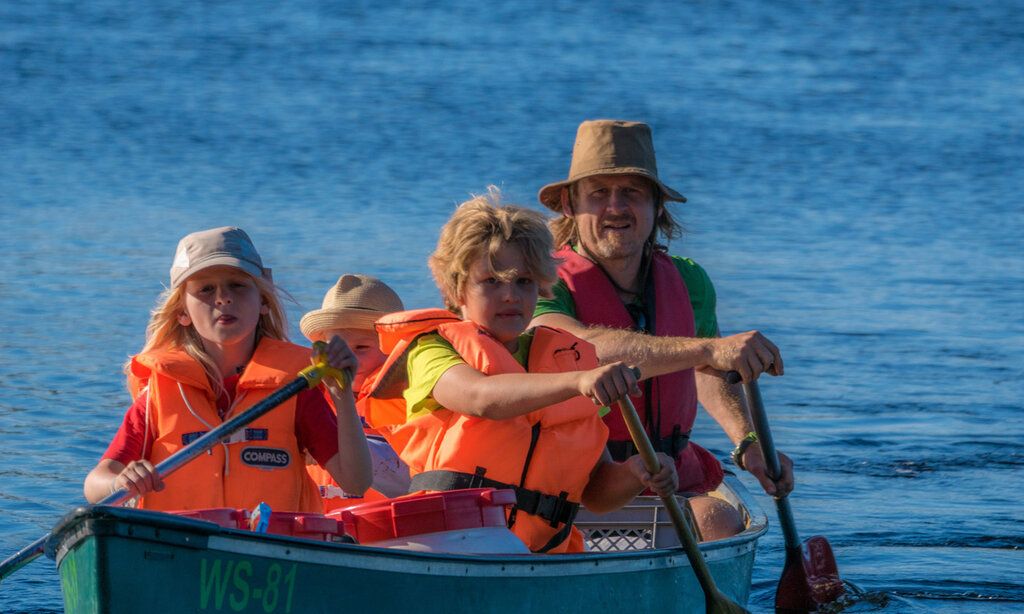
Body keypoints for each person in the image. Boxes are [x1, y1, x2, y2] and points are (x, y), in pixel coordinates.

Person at [371, 190, 678, 554]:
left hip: (542, 558)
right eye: (491, 282)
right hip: (449, 546)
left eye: (524, 282)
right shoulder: (433, 349)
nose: (510, 296)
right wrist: (578, 382)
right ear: (456, 289)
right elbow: (480, 398)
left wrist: (636, 473)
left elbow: (595, 492)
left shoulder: (569, 360)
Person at [532, 120, 795, 540]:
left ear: (657, 206)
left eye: (632, 193)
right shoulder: (540, 282)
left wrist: (748, 443)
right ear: (569, 204)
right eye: (599, 193)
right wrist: (709, 350)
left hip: (672, 475)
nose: (615, 207)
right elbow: (584, 349)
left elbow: (706, 374)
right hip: (581, 482)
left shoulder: (690, 281)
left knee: (719, 521)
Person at [84, 227, 372, 512]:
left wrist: (342, 397)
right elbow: (95, 484)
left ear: (262, 302)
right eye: (206, 290)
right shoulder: (159, 395)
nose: (223, 298)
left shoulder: (293, 388)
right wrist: (120, 482)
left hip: (269, 549)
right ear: (182, 312)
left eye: (237, 285)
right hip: (180, 547)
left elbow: (355, 481)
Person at [299, 274, 411, 511]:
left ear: (396, 350)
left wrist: (323, 447)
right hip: (320, 526)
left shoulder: (412, 396)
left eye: (362, 347)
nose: (349, 359)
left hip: (389, 529)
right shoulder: (310, 397)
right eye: (337, 349)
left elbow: (414, 472)